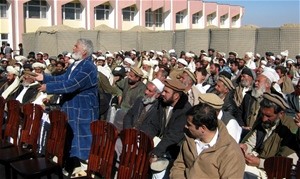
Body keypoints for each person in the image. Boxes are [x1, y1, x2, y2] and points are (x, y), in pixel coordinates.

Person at [36, 38, 99, 176]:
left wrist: (48, 87)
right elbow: (65, 79)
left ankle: (89, 171)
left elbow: (72, 85)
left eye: (76, 46)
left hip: (83, 110)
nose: (73, 47)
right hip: (71, 107)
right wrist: (45, 78)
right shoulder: (76, 64)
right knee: (71, 138)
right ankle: (73, 167)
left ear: (84, 51)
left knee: (83, 140)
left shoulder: (88, 67)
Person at [170, 103, 245, 178]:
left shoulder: (231, 153)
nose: (186, 126)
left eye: (189, 124)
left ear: (203, 128)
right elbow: (179, 166)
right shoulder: (189, 138)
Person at [240, 92, 298, 179]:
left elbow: (287, 165)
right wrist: (244, 147)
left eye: (268, 116)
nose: (264, 119)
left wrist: (260, 162)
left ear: (281, 114)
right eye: (262, 114)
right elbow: (251, 142)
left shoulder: (290, 128)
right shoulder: (262, 121)